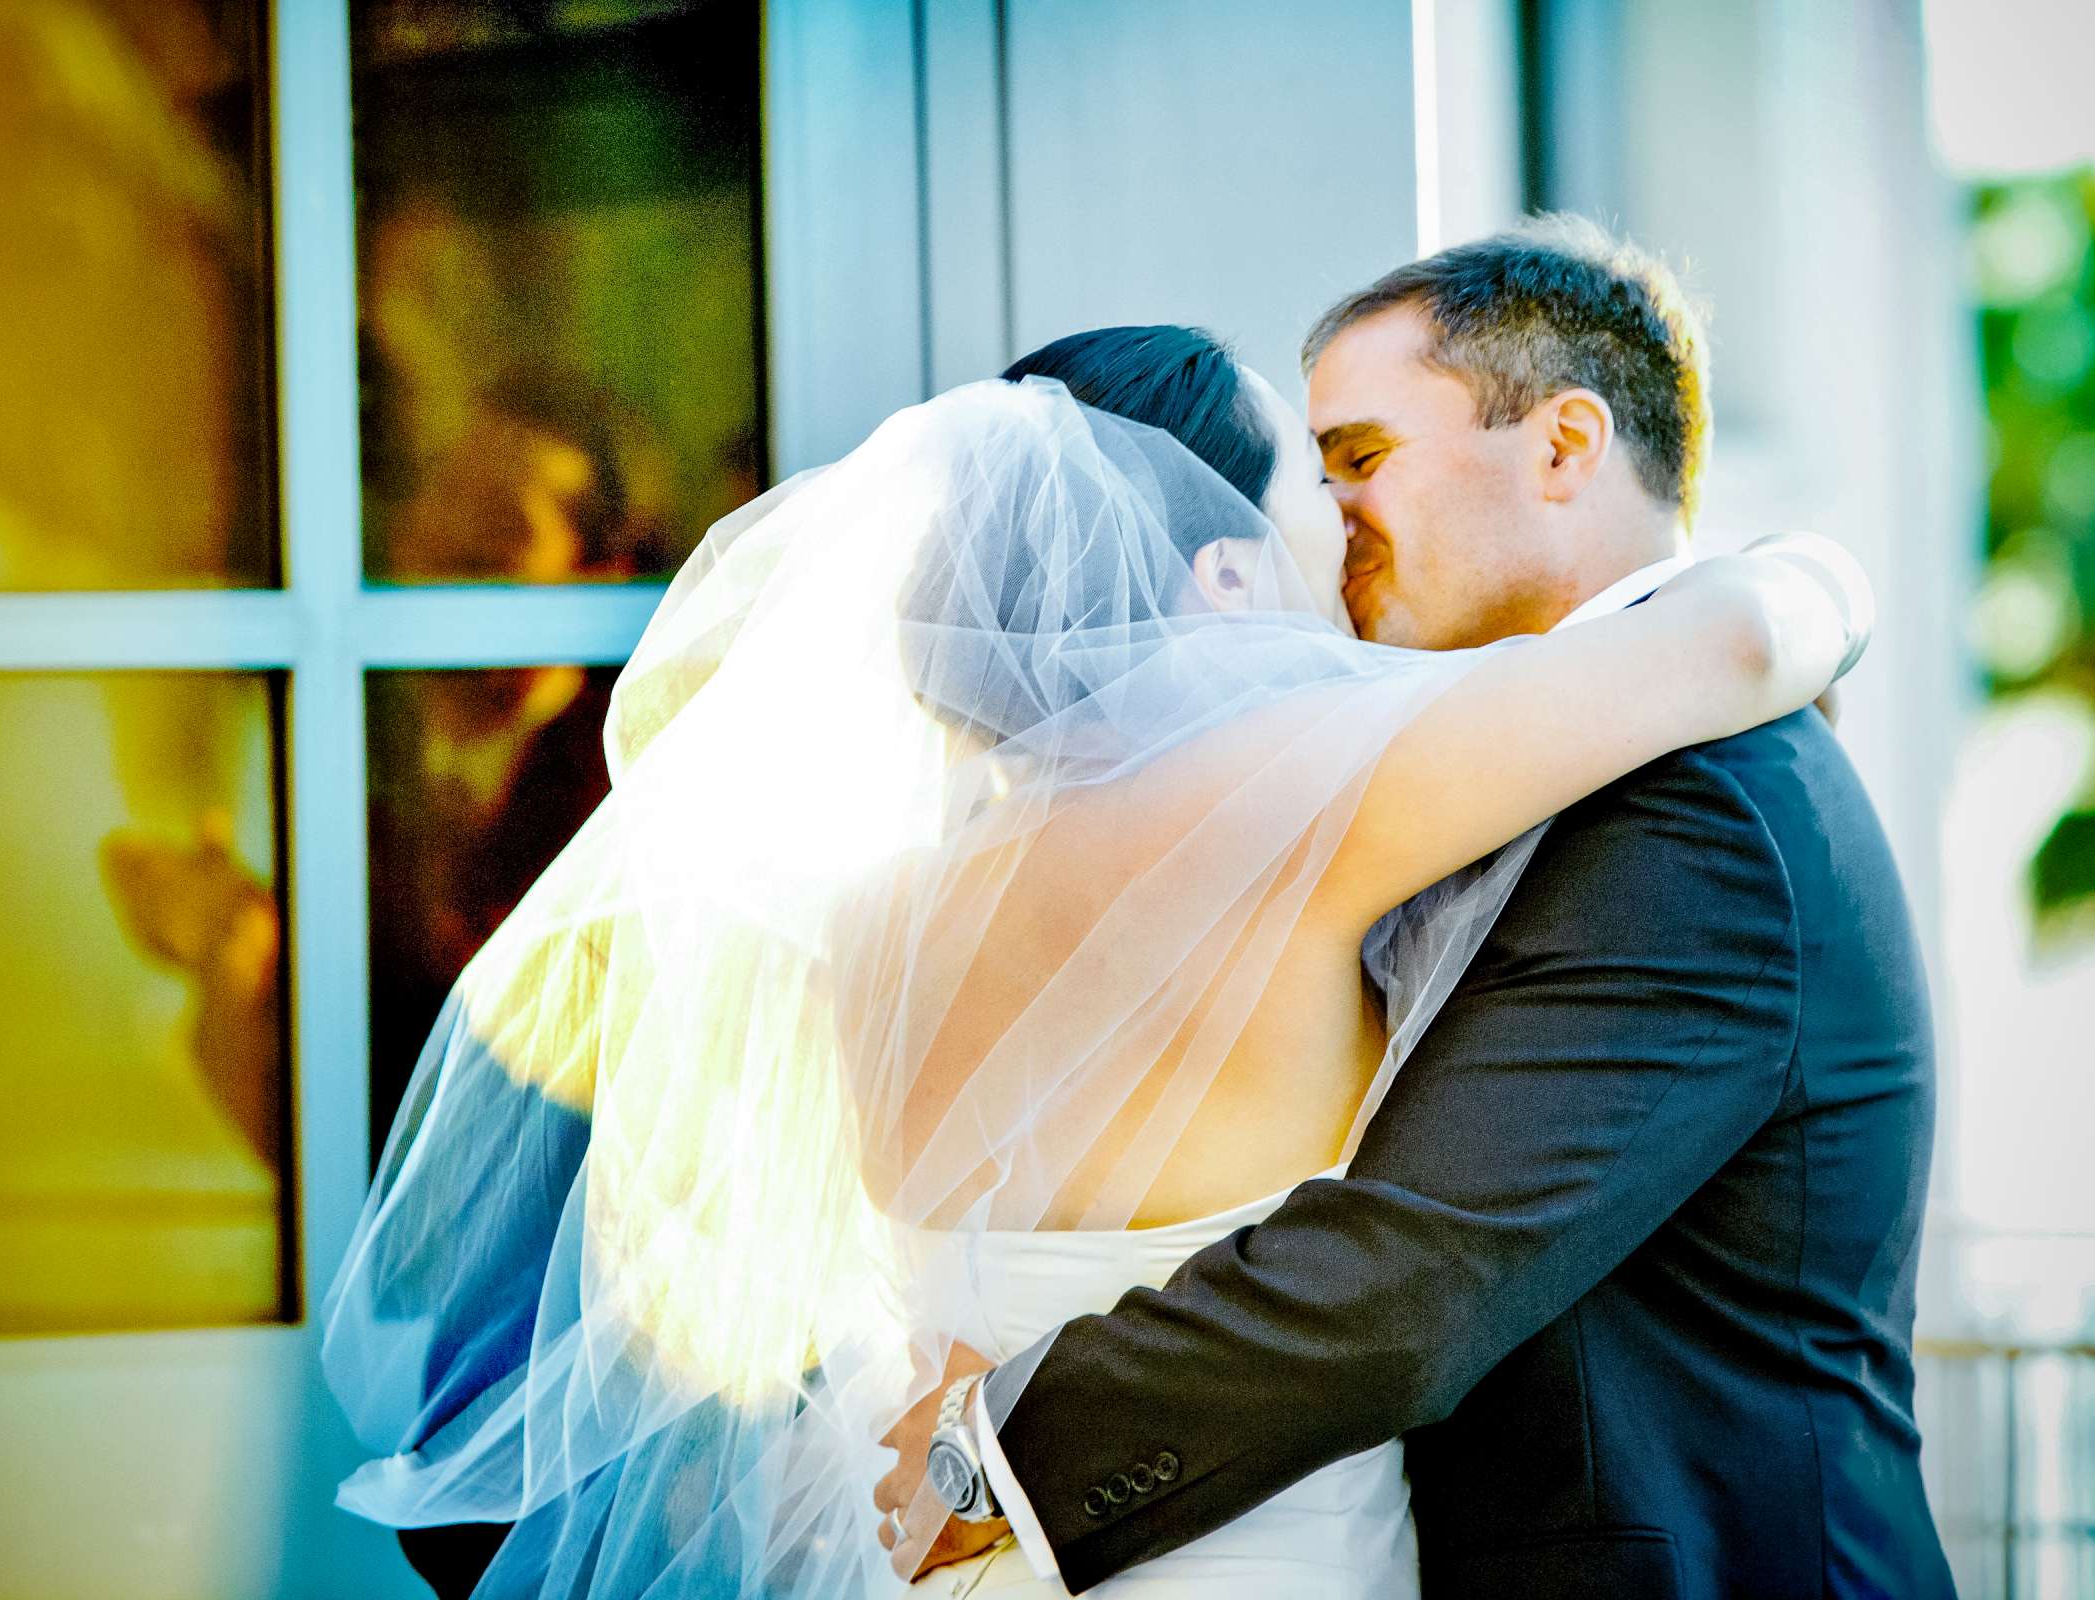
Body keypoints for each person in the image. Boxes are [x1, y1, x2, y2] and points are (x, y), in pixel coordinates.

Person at [322, 292, 1873, 1598]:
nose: (1335, 566)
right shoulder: (1297, 800)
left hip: (932, 1530)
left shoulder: (864, 897)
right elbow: (1733, 643)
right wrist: (1829, 575)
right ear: (1215, 572)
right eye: (1300, 517)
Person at [879, 218, 1953, 1599]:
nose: (1332, 521)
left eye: (1364, 461)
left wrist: (993, 1462)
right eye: (1315, 478)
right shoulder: (1409, 774)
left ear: (1565, 447)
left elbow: (1410, 1279)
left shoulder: (1700, 803)